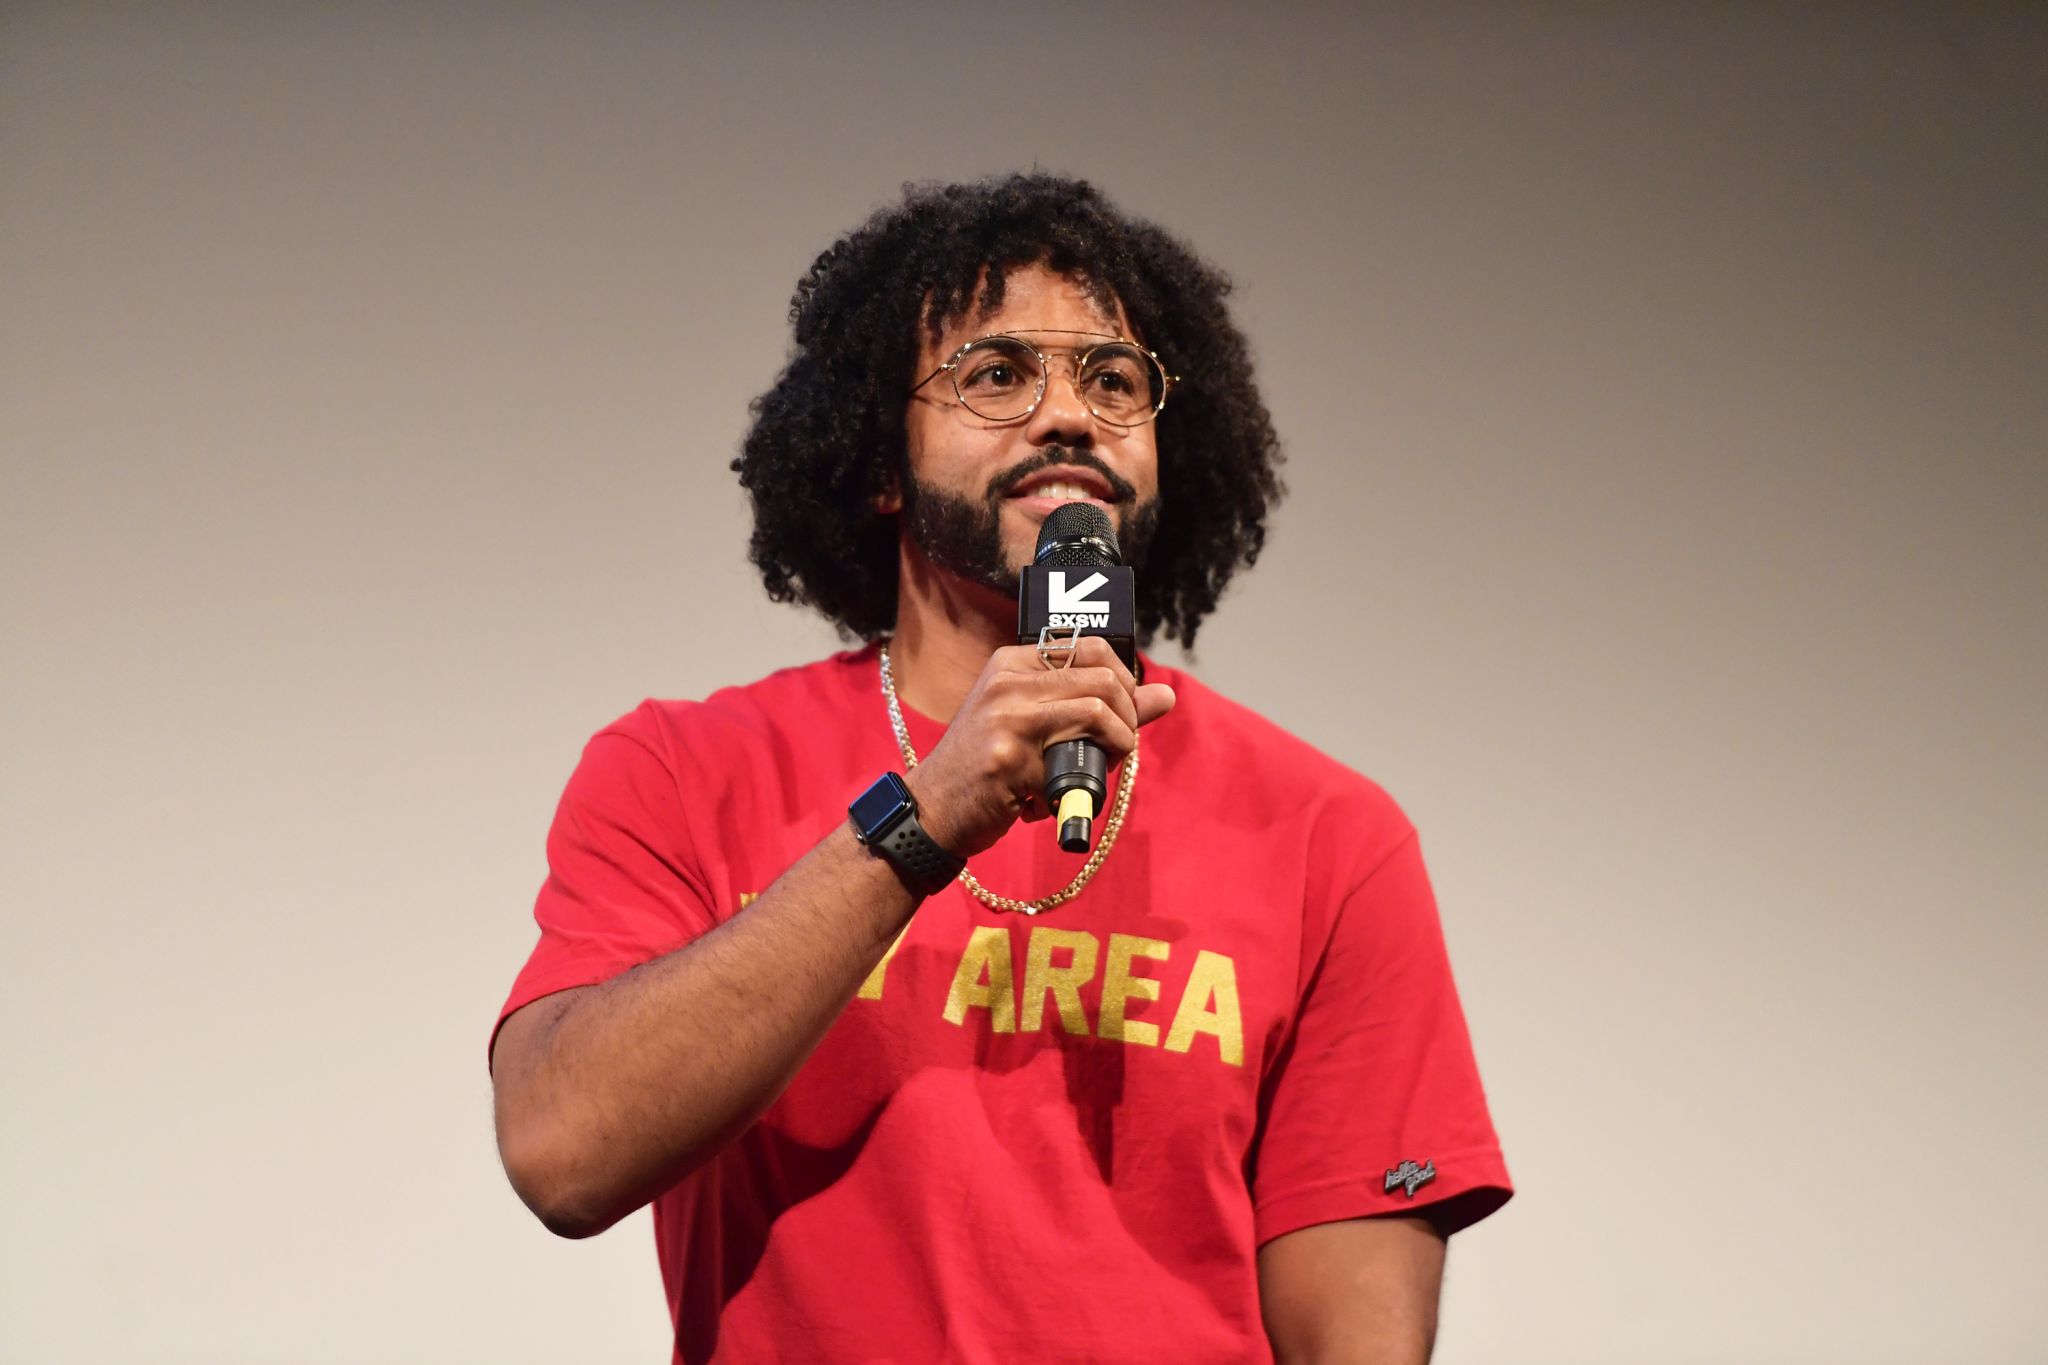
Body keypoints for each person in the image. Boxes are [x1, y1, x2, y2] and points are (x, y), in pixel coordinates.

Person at [489, 173, 1512, 1364]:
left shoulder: (1327, 833)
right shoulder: (683, 770)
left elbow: (1354, 1336)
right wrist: (925, 815)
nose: (1067, 415)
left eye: (1112, 381)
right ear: (879, 462)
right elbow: (563, 1150)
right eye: (996, 374)